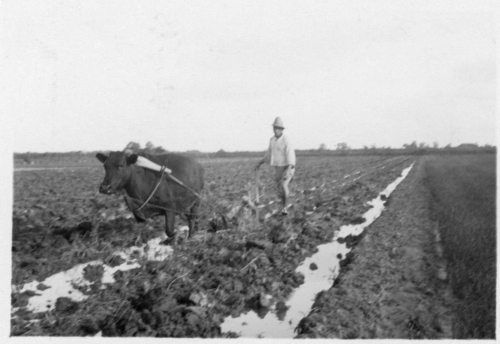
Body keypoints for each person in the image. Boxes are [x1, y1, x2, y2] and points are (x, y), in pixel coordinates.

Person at [254, 117, 296, 215]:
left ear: (282, 129)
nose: (276, 130)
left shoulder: (286, 140)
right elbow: (268, 155)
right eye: (275, 128)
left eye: (278, 128)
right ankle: (283, 206)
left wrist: (288, 170)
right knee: (279, 188)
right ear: (273, 129)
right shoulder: (272, 140)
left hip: (288, 167)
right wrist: (259, 163)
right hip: (278, 167)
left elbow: (291, 155)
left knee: (284, 185)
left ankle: (285, 208)